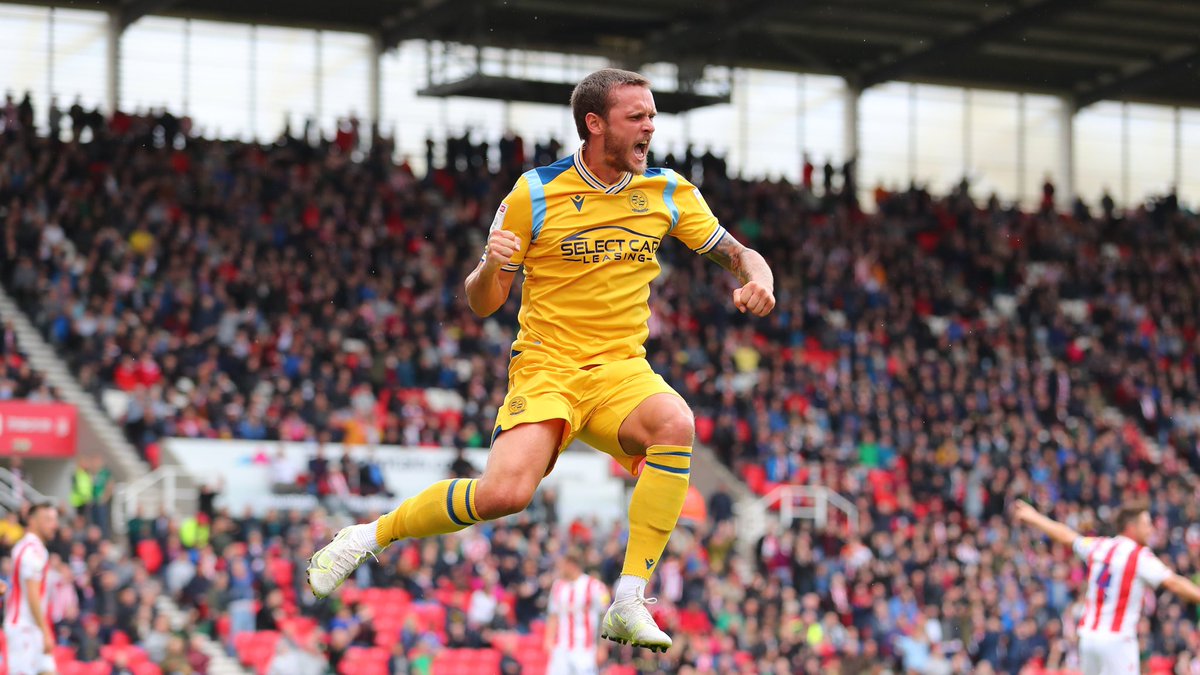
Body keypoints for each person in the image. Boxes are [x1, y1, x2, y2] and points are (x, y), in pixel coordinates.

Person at [307, 67, 776, 652]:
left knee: (676, 423)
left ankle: (629, 599)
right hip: (547, 368)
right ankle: (367, 535)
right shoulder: (534, 192)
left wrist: (761, 279)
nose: (650, 127)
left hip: (620, 371)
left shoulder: (669, 192)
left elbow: (740, 254)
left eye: (653, 116)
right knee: (505, 495)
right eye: (638, 117)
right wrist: (492, 265)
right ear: (595, 123)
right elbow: (483, 302)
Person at [1013, 501, 1200, 675]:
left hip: (1088, 639)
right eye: (1146, 524)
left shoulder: (1100, 546)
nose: (1151, 529)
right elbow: (1173, 583)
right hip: (1117, 641)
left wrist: (1034, 517)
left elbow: (1067, 536)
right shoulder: (1139, 555)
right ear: (1131, 527)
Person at [5, 502, 60, 675]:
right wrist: (45, 631)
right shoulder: (32, 551)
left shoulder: (31, 548)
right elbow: (32, 594)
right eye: (48, 519)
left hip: (34, 626)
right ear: (33, 521)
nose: (54, 525)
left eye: (55, 520)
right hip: (24, 628)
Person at [545, 551, 609, 675]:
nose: (561, 568)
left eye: (563, 565)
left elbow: (605, 618)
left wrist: (602, 647)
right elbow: (553, 615)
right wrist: (548, 639)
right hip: (561, 649)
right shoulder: (557, 586)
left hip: (585, 650)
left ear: (572, 565)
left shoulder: (595, 586)